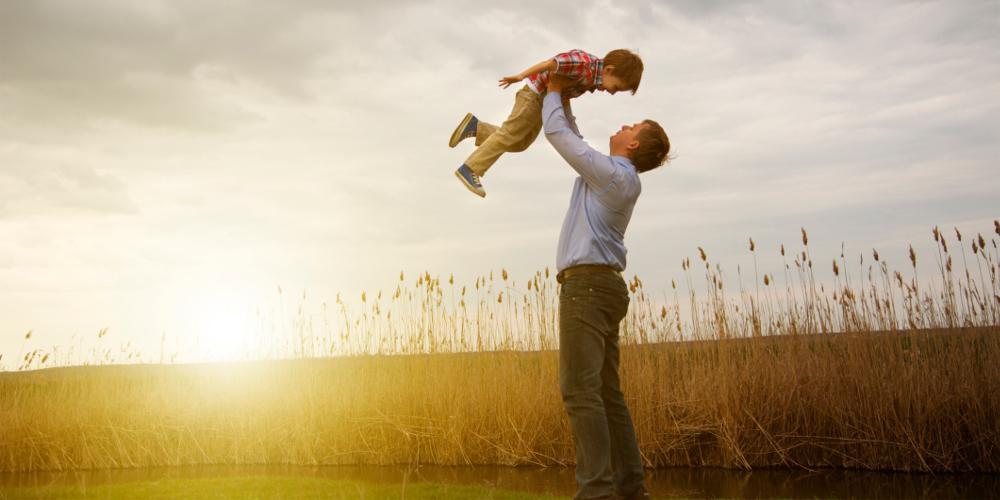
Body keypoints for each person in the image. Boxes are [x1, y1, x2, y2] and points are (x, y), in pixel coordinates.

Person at [543, 72, 670, 500]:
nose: (623, 126)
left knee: (580, 391)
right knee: (606, 394)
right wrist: (567, 97)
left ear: (633, 145)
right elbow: (574, 135)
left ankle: (596, 492)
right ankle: (631, 490)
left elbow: (558, 134)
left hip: (588, 288)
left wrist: (554, 90)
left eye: (631, 126)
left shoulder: (614, 177)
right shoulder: (614, 175)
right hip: (604, 288)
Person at [449, 49, 644, 198]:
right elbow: (550, 64)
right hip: (533, 96)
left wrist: (574, 132)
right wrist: (521, 76)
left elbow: (564, 98)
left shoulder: (592, 80)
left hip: (543, 102)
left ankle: (476, 127)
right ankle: (470, 168)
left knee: (520, 142)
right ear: (609, 70)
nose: (612, 92)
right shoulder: (583, 63)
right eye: (616, 88)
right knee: (510, 134)